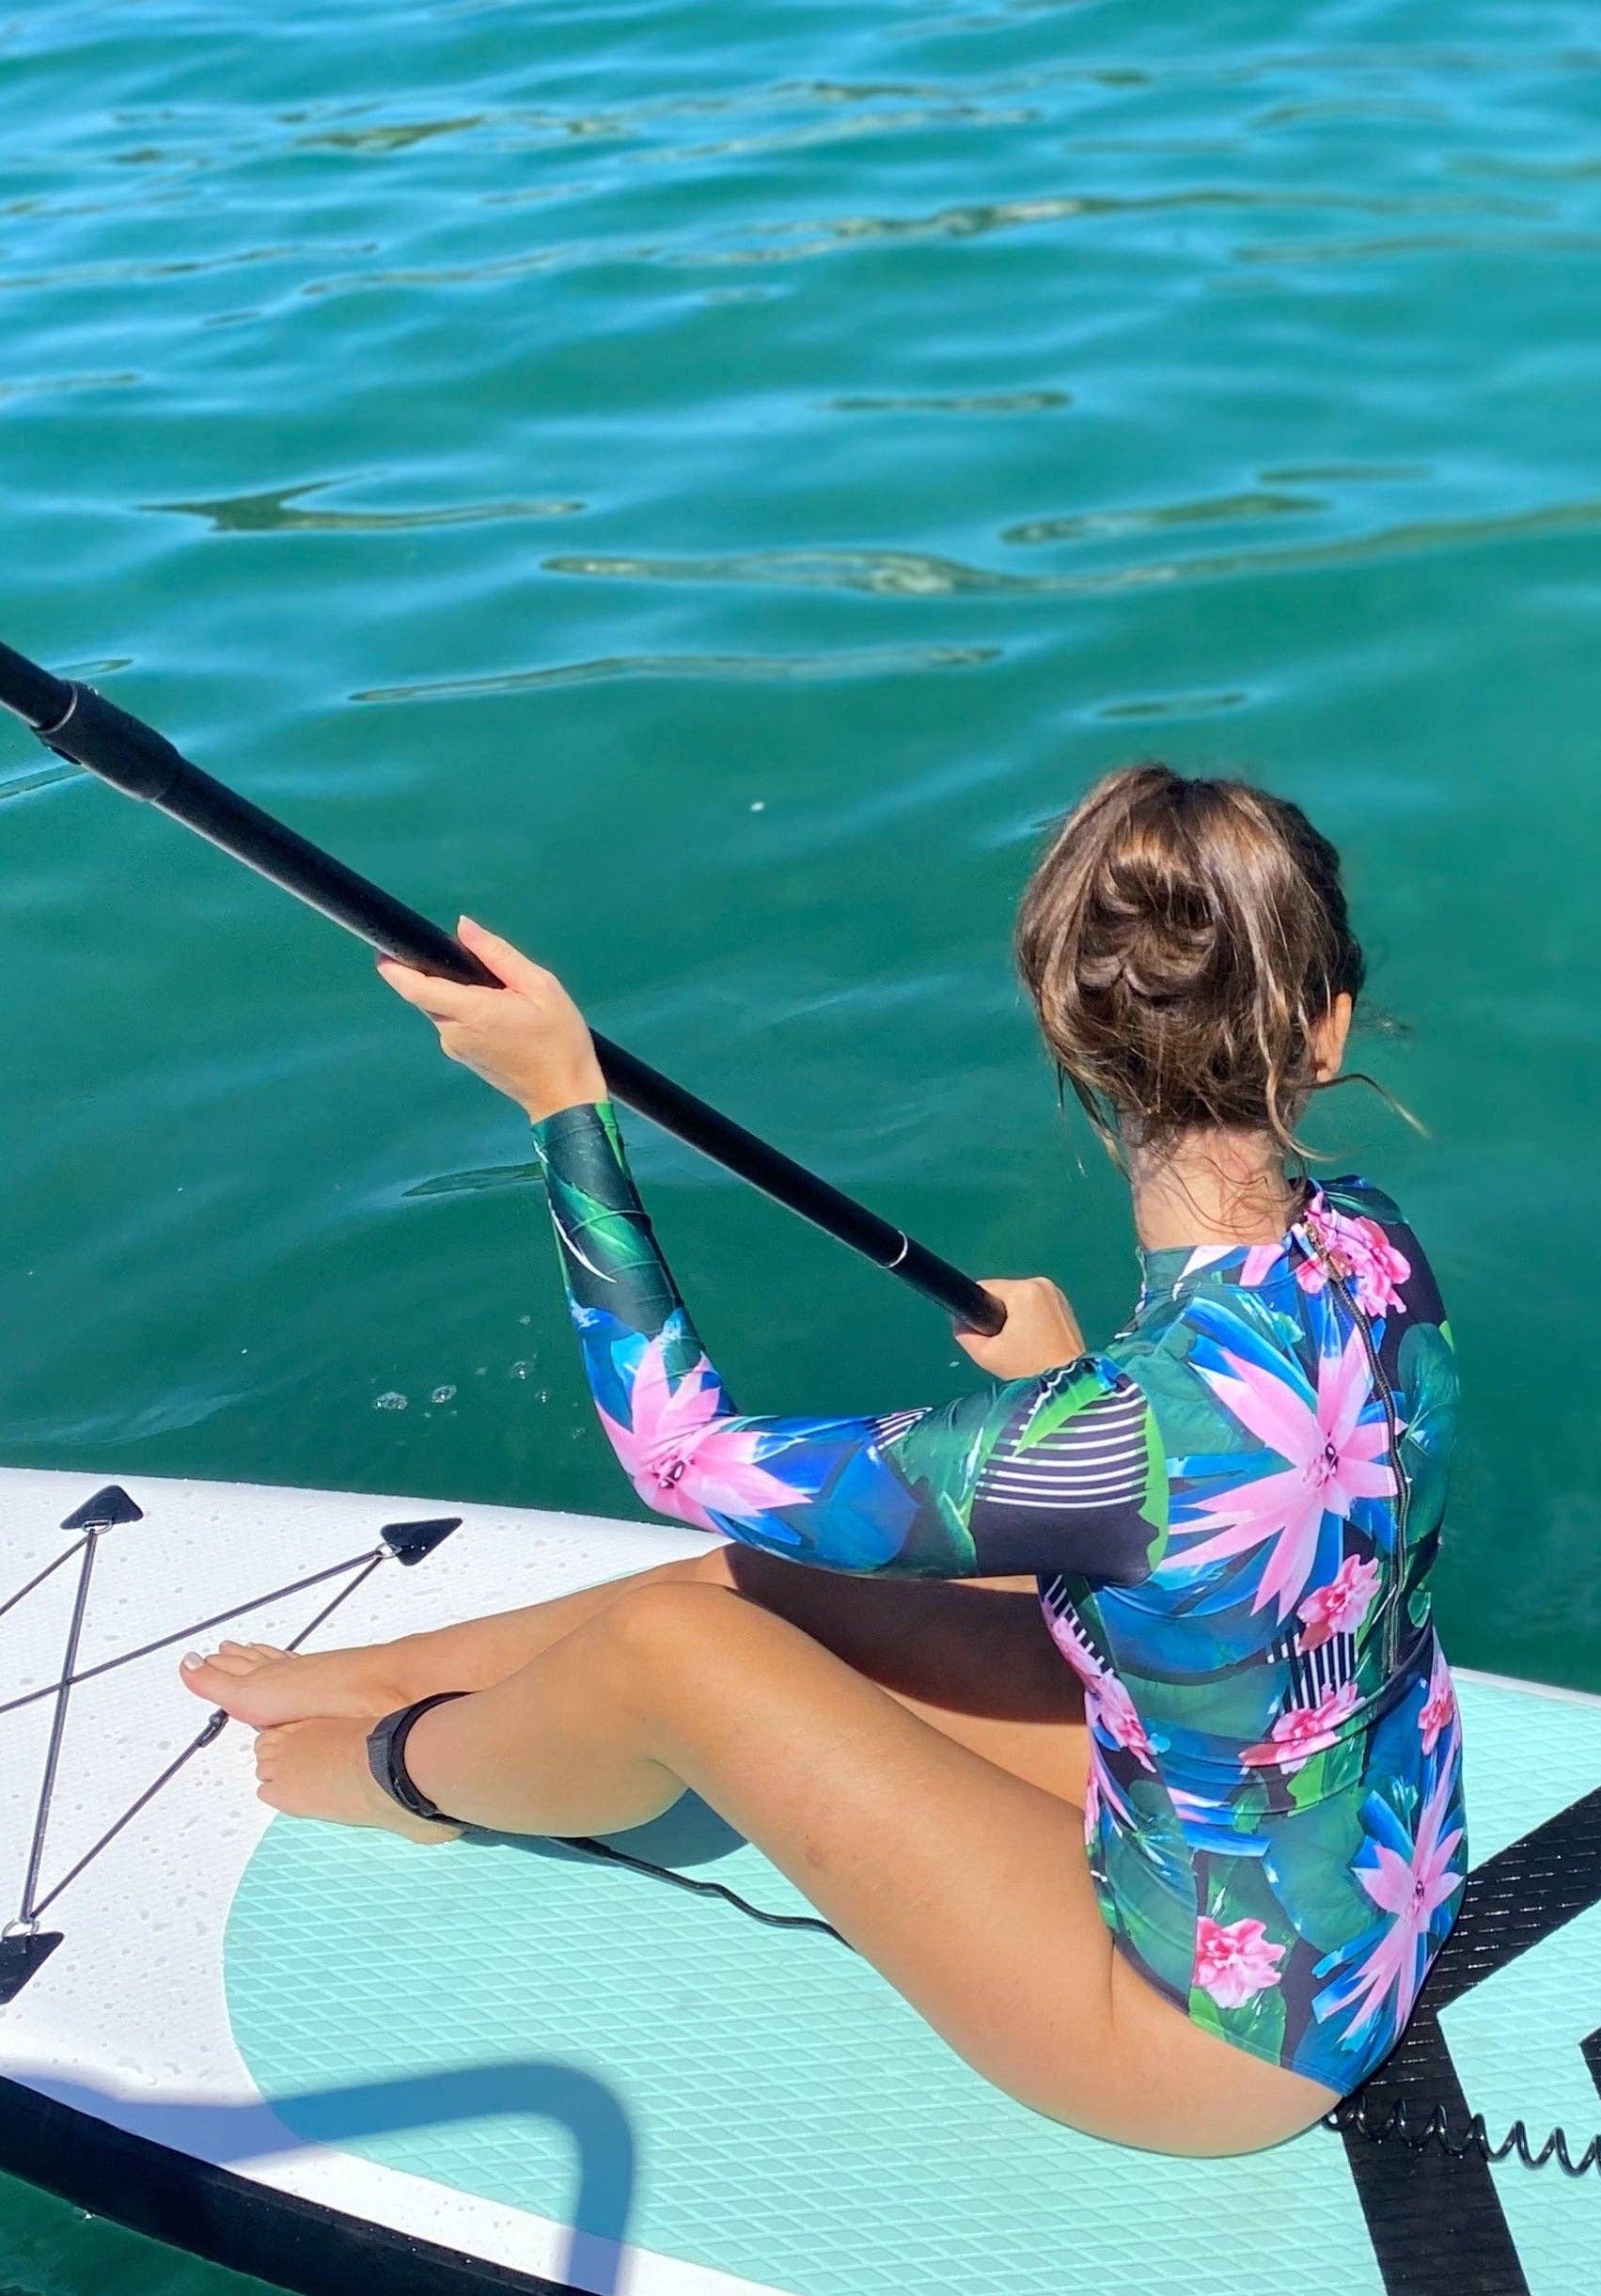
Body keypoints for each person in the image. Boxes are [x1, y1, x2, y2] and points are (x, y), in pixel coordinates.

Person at [181, 767, 1463, 2158]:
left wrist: (563, 1103)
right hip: (1390, 1863)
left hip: (1222, 2038)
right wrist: (1059, 1382)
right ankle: (384, 1670)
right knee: (767, 1582)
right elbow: (1221, 1475)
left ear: (1070, 1030)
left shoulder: (1114, 1437)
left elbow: (680, 1453)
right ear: (1327, 1030)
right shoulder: (1372, 1243)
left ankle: (400, 1774)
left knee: (677, 1648)